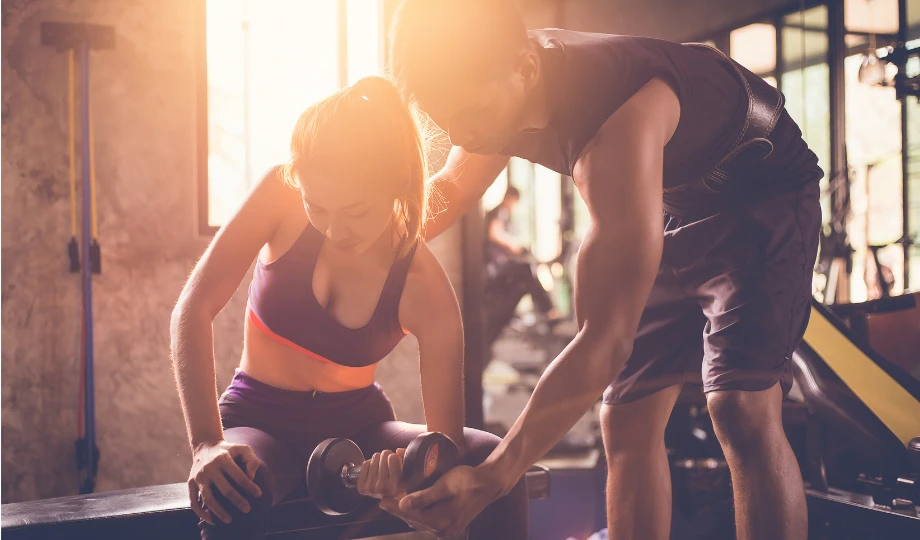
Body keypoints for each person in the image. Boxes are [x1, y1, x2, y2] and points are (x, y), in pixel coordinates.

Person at [380, 2, 823, 539]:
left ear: (524, 71)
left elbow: (604, 342)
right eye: (443, 117)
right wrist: (358, 239)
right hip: (666, 198)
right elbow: (448, 192)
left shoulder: (613, 127)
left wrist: (494, 477)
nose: (461, 132)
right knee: (626, 414)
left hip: (760, 192)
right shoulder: (494, 88)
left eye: (469, 114)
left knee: (740, 408)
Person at [169, 75, 528, 540]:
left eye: (356, 211)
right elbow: (192, 309)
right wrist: (205, 442)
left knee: (488, 461)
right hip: (256, 417)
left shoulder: (424, 287)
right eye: (317, 207)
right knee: (235, 485)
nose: (334, 229)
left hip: (360, 427)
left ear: (396, 184)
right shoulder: (279, 194)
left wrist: (408, 488)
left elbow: (446, 454)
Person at [482, 186, 558, 344]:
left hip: (497, 266)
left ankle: (547, 311)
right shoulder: (500, 212)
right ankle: (548, 311)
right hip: (494, 268)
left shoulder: (504, 214)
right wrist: (513, 245)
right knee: (525, 270)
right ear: (510, 198)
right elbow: (494, 232)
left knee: (526, 275)